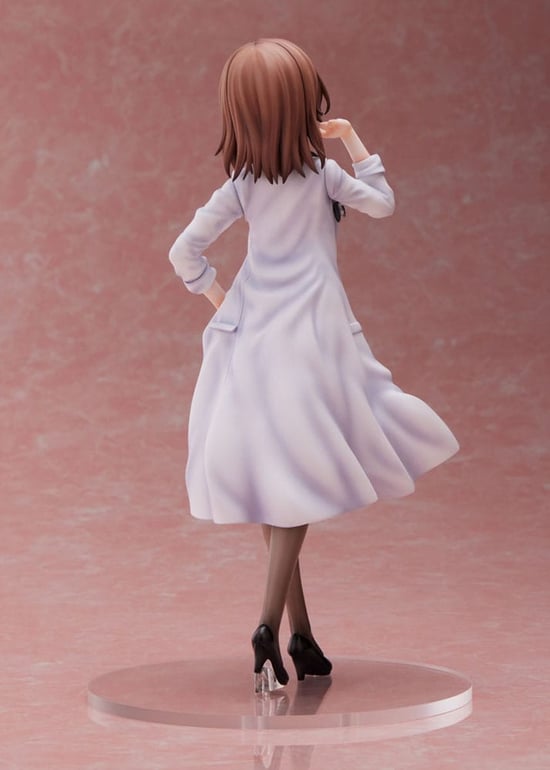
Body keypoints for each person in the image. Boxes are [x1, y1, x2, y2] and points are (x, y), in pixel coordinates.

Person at [168, 38, 459, 693]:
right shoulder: (322, 175)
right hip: (313, 341)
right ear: (303, 106)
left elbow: (184, 252)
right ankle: (267, 624)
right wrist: (353, 140)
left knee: (278, 478)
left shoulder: (242, 185)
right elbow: (382, 203)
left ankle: (302, 638)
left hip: (254, 340)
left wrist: (225, 302)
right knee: (295, 477)